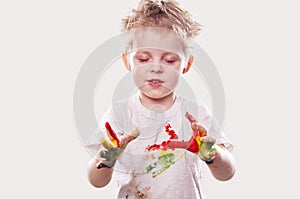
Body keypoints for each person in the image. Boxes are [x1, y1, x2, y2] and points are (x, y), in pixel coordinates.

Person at [87, 0, 236, 198]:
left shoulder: (196, 114)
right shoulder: (119, 114)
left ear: (186, 64)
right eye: (143, 58)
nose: (156, 67)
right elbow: (96, 181)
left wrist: (212, 155)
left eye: (169, 60)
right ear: (127, 61)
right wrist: (106, 159)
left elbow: (227, 173)